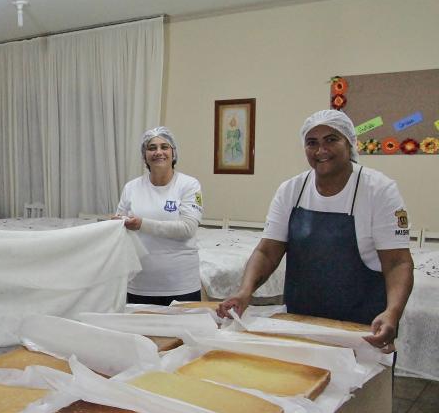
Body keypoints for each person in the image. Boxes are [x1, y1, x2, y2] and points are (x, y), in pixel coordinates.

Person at [217, 110, 414, 352]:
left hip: (363, 328)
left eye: (331, 139)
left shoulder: (378, 190)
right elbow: (268, 252)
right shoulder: (291, 190)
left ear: (350, 143)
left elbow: (397, 263)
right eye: (312, 143)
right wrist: (245, 291)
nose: (321, 150)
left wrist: (392, 312)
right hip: (301, 323)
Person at [115, 126, 204, 305]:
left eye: (164, 147)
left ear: (173, 153)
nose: (158, 152)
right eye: (152, 148)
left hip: (181, 285)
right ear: (144, 155)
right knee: (140, 334)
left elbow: (187, 228)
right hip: (139, 284)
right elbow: (120, 228)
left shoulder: (189, 185)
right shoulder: (131, 188)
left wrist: (141, 224)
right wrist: (116, 223)